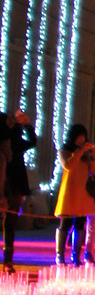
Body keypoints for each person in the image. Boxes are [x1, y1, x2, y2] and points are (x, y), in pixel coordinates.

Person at [53, 125, 95, 267]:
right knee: (65, 224)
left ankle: (76, 255)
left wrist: (94, 157)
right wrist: (79, 151)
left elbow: (94, 171)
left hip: (83, 193)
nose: (82, 140)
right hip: (70, 192)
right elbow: (68, 165)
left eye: (83, 137)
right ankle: (60, 254)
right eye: (79, 137)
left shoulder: (85, 154)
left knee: (80, 225)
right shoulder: (64, 151)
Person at [0, 110, 36, 273]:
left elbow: (32, 142)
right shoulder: (7, 141)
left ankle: (8, 260)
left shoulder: (15, 141)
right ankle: (8, 260)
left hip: (14, 184)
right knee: (9, 223)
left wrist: (26, 125)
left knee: (10, 222)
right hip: (9, 183)